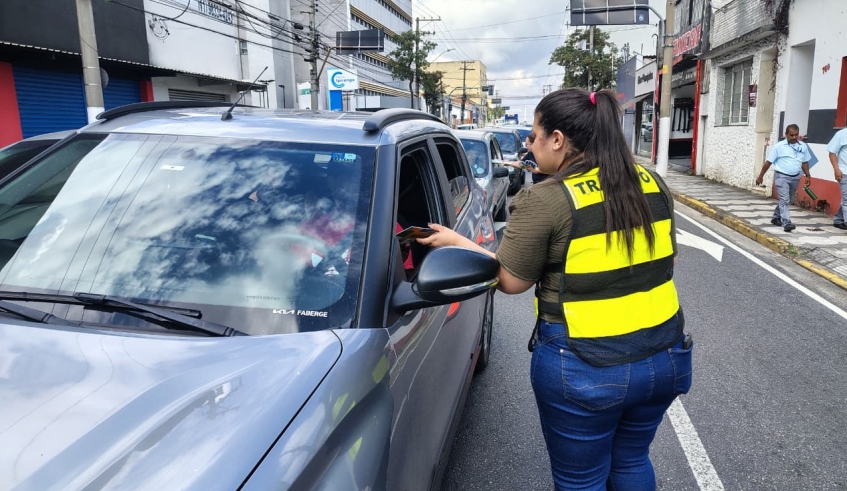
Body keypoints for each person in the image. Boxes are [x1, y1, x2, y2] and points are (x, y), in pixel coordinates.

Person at [418, 88, 692, 490]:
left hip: (587, 366)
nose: (530, 144)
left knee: (581, 480)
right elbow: (666, 261)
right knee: (632, 460)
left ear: (558, 139)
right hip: (666, 354)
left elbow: (511, 281)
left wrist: (456, 242)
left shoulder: (547, 198)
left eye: (534, 135)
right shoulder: (651, 182)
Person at [755, 124, 812, 232]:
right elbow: (768, 162)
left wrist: (808, 175)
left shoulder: (803, 146)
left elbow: (804, 162)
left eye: (796, 135)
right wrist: (760, 176)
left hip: (796, 177)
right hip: (782, 176)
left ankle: (776, 217)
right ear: (786, 134)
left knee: (788, 200)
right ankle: (786, 223)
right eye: (791, 135)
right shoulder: (778, 147)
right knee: (785, 200)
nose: (794, 137)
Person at [826, 127, 847, 230]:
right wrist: (836, 169)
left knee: (845, 199)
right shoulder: (841, 134)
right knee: (846, 198)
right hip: (844, 172)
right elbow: (832, 152)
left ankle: (838, 219)